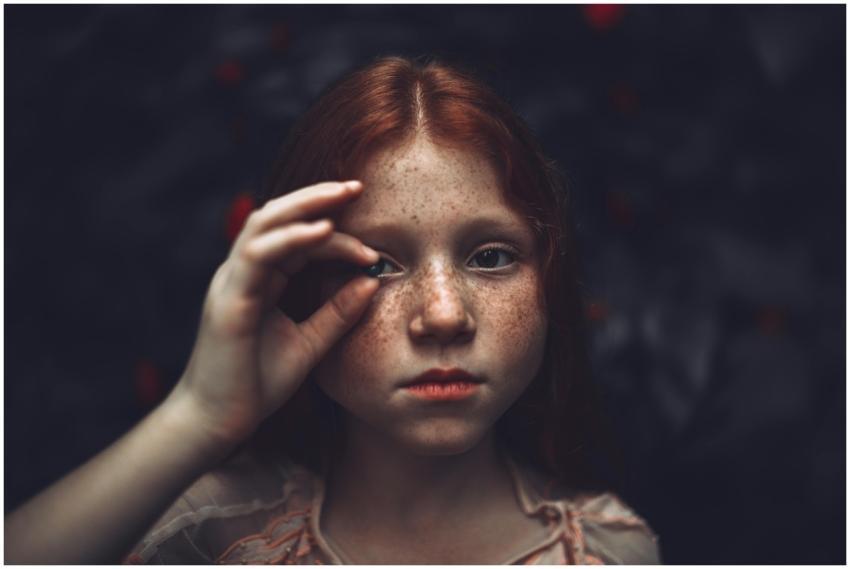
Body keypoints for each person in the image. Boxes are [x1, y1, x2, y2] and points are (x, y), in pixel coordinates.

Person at [4, 55, 660, 564]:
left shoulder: (604, 551)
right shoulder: (207, 532)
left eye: (489, 256)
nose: (442, 314)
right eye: (377, 262)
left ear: (551, 278)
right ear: (296, 287)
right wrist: (197, 414)